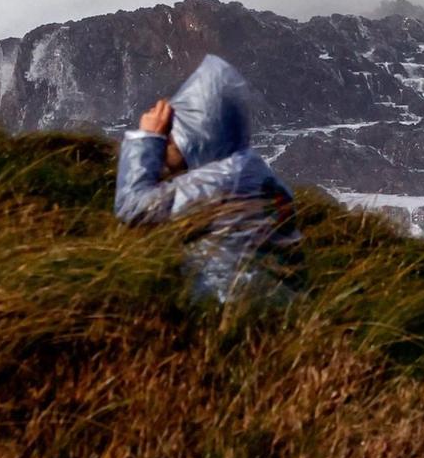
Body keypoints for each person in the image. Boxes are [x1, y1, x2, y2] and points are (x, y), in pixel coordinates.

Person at [114, 53, 302, 303]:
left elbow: (133, 207)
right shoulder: (248, 170)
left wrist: (147, 139)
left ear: (196, 135)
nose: (166, 139)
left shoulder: (220, 180)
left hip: (231, 311)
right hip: (273, 309)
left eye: (173, 130)